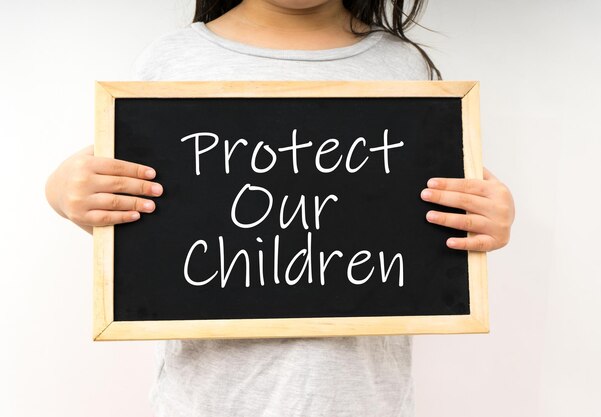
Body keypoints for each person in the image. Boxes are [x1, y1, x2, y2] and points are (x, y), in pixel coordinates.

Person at [45, 0, 516, 415]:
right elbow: (142, 205)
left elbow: (422, 216)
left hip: (364, 401)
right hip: (207, 403)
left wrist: (484, 217)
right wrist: (66, 190)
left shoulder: (401, 65)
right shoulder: (173, 59)